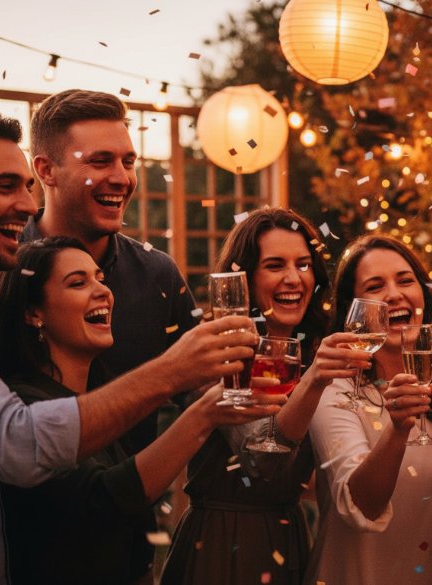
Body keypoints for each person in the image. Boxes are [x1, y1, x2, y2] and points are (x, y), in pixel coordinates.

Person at [0, 112, 258, 584]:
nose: (25, 204)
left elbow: (210, 393)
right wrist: (172, 371)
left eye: (128, 161)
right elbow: (17, 443)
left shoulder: (156, 274)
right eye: (5, 186)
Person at [0, 237, 278, 585]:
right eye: (78, 283)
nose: (103, 292)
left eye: (100, 279)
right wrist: (204, 413)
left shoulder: (100, 397)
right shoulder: (21, 406)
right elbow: (104, 500)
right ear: (34, 313)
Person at [162, 209, 368, 585]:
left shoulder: (314, 354)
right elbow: (261, 459)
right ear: (246, 278)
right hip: (224, 544)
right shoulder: (217, 352)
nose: (294, 278)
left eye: (303, 265)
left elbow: (310, 475)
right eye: (275, 265)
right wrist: (314, 382)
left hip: (290, 537)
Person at [26, 89, 198, 453]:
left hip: (134, 490)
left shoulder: (157, 274)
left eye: (128, 162)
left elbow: (199, 391)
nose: (122, 178)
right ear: (46, 170)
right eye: (101, 161)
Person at [306, 234, 432, 585]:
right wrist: (397, 428)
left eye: (405, 280)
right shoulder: (336, 389)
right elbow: (361, 506)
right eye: (375, 287)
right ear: (353, 311)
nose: (394, 294)